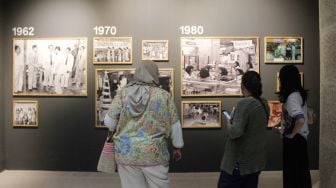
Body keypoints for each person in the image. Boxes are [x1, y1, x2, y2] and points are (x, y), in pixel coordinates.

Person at [104, 60, 184, 188]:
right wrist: (177, 146)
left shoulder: (123, 93)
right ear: (154, 74)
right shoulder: (164, 96)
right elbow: (174, 124)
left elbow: (109, 122)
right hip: (155, 153)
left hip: (126, 152)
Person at [218, 71, 269, 188]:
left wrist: (229, 122)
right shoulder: (263, 103)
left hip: (239, 163)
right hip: (255, 162)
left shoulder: (244, 103)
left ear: (243, 86)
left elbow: (234, 132)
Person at [276, 65, 312, 188]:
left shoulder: (291, 98)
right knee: (300, 176)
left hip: (294, 141)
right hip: (300, 140)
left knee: (293, 177)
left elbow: (300, 119)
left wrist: (291, 134)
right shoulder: (298, 94)